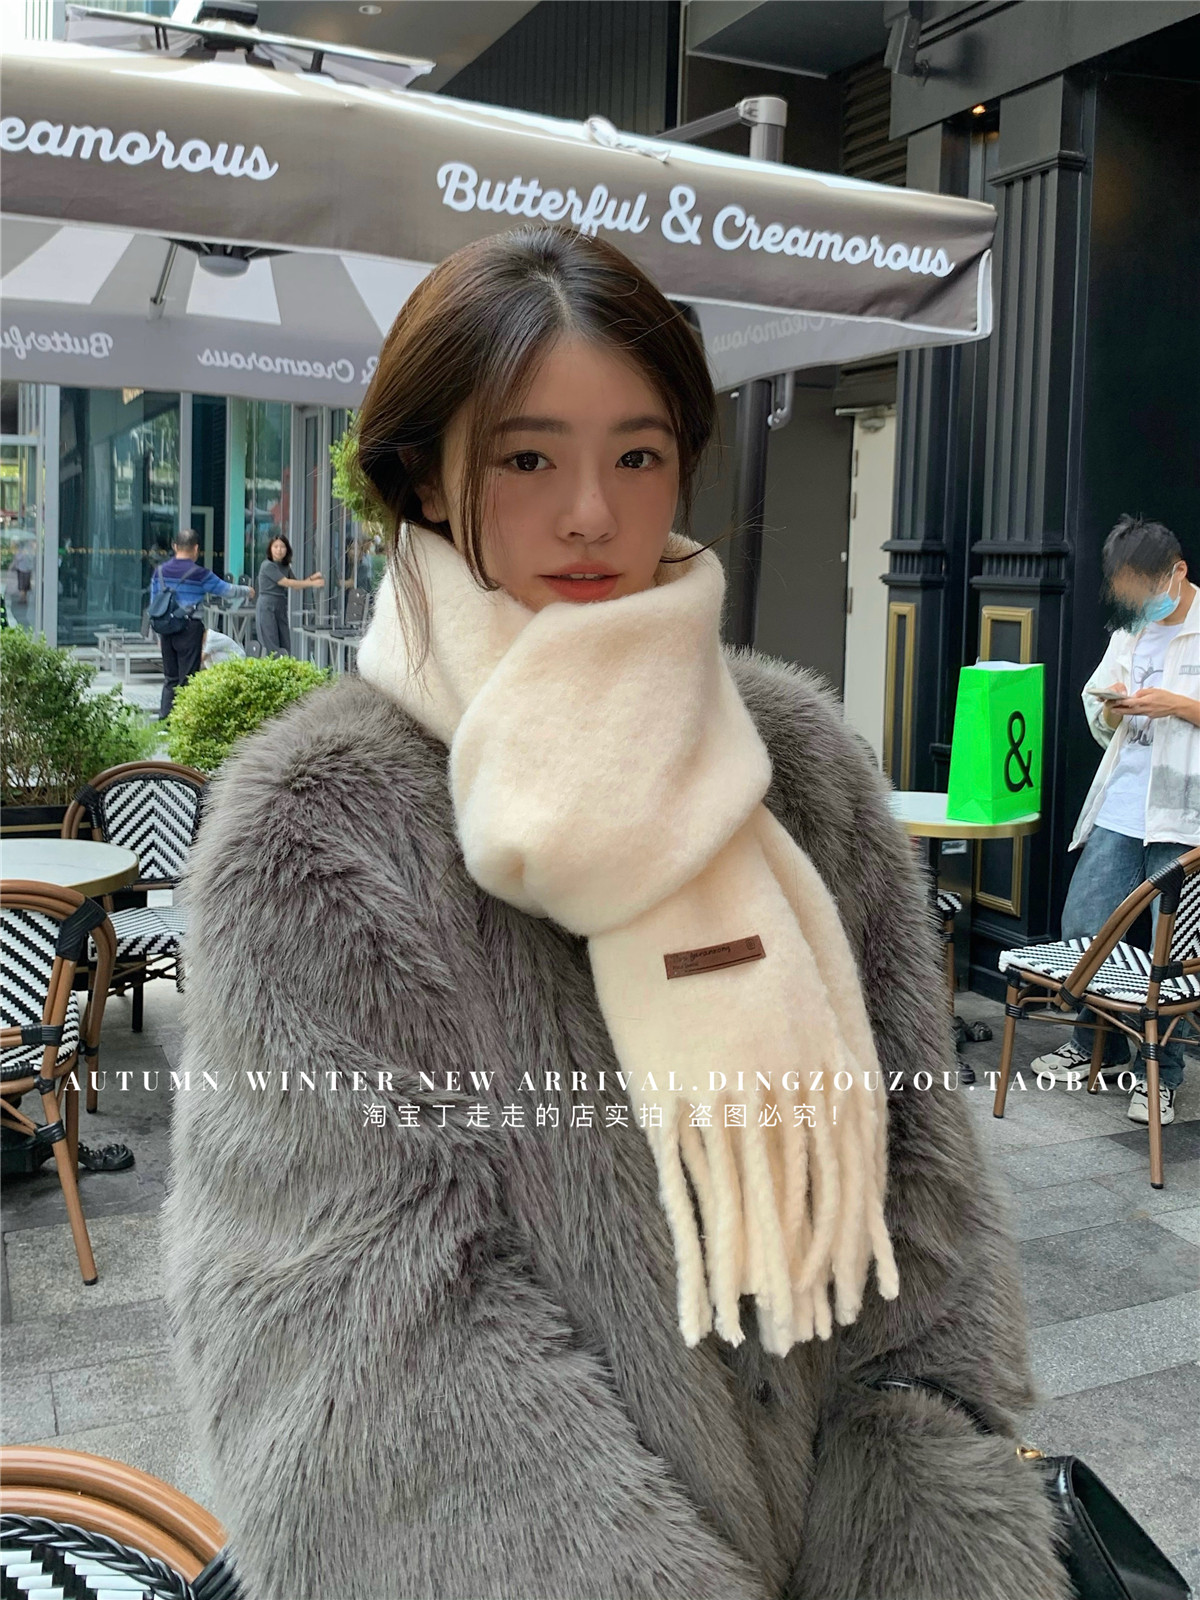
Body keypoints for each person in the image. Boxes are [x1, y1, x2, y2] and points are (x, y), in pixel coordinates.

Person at [162, 228, 1071, 1600]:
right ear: (423, 476)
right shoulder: (321, 827)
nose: (591, 511)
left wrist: (923, 1526)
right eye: (527, 459)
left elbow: (923, 1215)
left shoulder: (797, 770)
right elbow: (357, 1352)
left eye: (638, 455)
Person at [1031, 516, 1200, 1124]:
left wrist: (1178, 705)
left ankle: (1161, 1076)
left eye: (1147, 589)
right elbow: (1097, 706)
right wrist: (1114, 707)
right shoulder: (1131, 626)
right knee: (1084, 927)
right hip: (1123, 804)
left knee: (1168, 952)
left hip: (1185, 818)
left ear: (1178, 572)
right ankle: (1095, 1047)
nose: (1141, 602)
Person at [149, 530, 252, 718]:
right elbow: (226, 590)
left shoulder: (159, 572)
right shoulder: (200, 574)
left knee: (170, 678)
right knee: (188, 678)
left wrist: (157, 635)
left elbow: (154, 606)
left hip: (165, 629)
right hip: (189, 629)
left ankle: (165, 721)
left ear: (175, 546)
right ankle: (183, 721)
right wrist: (247, 591)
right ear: (196, 548)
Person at [255, 534, 324, 656]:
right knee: (272, 645)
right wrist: (312, 583)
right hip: (267, 607)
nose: (279, 550)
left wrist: (312, 579)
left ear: (287, 549)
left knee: (285, 644)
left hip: (280, 606)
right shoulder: (267, 565)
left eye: (282, 547)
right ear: (270, 549)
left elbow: (296, 585)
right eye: (275, 546)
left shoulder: (285, 566)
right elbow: (286, 582)